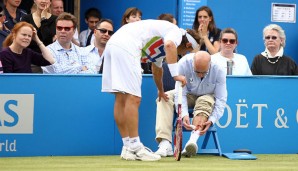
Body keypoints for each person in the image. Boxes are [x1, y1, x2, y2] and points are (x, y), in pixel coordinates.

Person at [102, 19, 199, 161]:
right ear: (188, 44)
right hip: (127, 47)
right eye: (188, 51)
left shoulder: (161, 43)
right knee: (133, 98)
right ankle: (136, 147)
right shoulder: (176, 32)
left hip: (113, 45)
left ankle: (127, 146)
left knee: (121, 98)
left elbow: (156, 68)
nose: (184, 54)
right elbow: (170, 44)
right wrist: (175, 74)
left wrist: (160, 90)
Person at [155, 51, 227, 158]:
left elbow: (221, 99)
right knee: (164, 98)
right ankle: (165, 143)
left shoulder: (219, 69)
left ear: (210, 64)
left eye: (204, 73)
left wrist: (212, 120)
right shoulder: (183, 64)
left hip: (207, 95)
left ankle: (192, 141)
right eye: (197, 72)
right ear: (193, 63)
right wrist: (184, 114)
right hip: (187, 94)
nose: (200, 75)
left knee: (205, 101)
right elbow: (180, 93)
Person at [22, 0, 57, 73]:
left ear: (50, 2)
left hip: (49, 60)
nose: (43, 1)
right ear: (34, 0)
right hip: (30, 61)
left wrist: (43, 18)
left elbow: (47, 40)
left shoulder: (55, 20)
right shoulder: (26, 18)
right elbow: (24, 41)